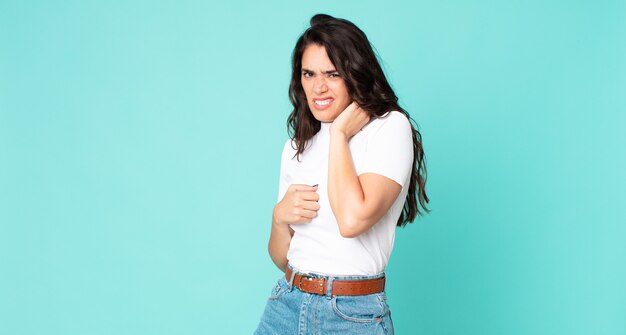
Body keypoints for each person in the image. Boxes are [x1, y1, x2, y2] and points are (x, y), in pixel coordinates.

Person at [255, 14, 429, 335]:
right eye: (309, 74)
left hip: (351, 314)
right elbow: (284, 257)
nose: (318, 86)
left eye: (332, 74)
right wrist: (279, 218)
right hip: (287, 304)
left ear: (355, 73)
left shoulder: (389, 128)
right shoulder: (297, 145)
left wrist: (339, 135)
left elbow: (351, 220)